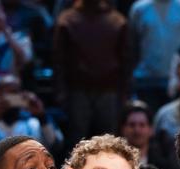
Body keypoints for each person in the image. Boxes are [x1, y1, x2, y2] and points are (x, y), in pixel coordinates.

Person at [53, 0, 130, 147]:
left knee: (109, 143)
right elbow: (59, 60)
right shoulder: (67, 20)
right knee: (77, 141)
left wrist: (124, 93)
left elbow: (125, 61)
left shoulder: (117, 21)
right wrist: (61, 91)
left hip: (109, 90)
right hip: (77, 90)